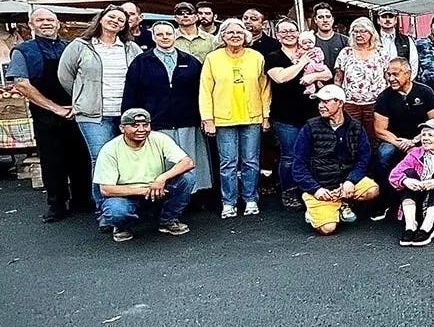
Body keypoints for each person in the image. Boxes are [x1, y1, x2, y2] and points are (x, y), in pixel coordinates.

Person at [7, 8, 93, 222]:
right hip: (46, 115)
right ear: (31, 24)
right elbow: (22, 85)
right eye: (40, 19)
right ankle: (56, 204)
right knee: (52, 161)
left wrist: (76, 105)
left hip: (75, 111)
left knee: (81, 158)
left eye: (50, 19)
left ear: (57, 24)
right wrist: (55, 108)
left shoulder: (71, 47)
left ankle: (82, 200)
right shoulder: (23, 51)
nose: (46, 23)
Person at [57, 4, 143, 213]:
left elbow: (141, 72)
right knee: (102, 159)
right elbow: (65, 76)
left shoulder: (130, 47)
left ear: (125, 26)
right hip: (93, 115)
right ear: (101, 19)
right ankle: (104, 209)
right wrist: (82, 96)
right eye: (111, 17)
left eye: (121, 20)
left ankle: (125, 204)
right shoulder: (81, 45)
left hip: (125, 113)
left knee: (127, 158)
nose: (116, 21)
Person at [121, 20, 213, 196]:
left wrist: (204, 117)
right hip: (156, 122)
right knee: (161, 164)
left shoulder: (191, 61)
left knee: (189, 160)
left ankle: (191, 196)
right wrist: (129, 121)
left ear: (175, 36)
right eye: (160, 34)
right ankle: (163, 197)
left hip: (187, 120)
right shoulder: (141, 62)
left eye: (168, 34)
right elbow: (131, 93)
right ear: (154, 37)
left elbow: (203, 92)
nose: (165, 37)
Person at [199, 17, 272, 218]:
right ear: (222, 36)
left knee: (251, 161)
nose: (235, 36)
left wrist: (266, 115)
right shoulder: (213, 58)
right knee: (228, 163)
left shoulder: (256, 57)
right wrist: (208, 119)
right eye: (230, 32)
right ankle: (229, 202)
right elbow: (205, 90)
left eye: (239, 32)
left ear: (246, 36)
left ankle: (250, 199)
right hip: (223, 119)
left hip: (252, 117)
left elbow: (265, 88)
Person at [94, 108, 196, 243]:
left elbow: (188, 162)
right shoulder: (109, 149)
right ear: (122, 128)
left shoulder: (159, 138)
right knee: (116, 210)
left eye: (145, 125)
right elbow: (106, 189)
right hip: (127, 195)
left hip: (157, 188)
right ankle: (121, 227)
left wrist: (162, 178)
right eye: (135, 125)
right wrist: (144, 191)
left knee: (188, 179)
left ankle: (168, 220)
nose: (141, 129)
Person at [291, 85, 380, 236]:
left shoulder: (356, 127)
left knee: (373, 190)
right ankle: (314, 204)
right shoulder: (309, 128)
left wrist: (350, 181)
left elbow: (363, 159)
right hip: (319, 185)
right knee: (328, 229)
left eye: (326, 101)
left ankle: (341, 203)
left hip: (344, 182)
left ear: (340, 103)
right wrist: (315, 189)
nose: (321, 105)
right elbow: (298, 165)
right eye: (319, 102)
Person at [265, 19, 330, 211]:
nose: (288, 34)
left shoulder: (311, 51)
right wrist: (303, 63)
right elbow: (281, 77)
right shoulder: (273, 56)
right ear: (277, 35)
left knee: (312, 154)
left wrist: (313, 76)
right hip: (285, 115)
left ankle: (309, 189)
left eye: (292, 31)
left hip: (311, 113)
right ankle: (289, 191)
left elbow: (327, 74)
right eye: (283, 31)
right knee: (289, 156)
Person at [373, 57, 434, 179]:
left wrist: (414, 141)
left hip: (422, 137)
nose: (391, 79)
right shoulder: (383, 97)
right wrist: (400, 143)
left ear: (408, 74)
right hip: (394, 140)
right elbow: (380, 130)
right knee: (385, 154)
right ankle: (384, 190)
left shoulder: (426, 92)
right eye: (389, 75)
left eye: (395, 74)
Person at [333, 17, 390, 148]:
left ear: (371, 33)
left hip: (376, 104)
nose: (359, 35)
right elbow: (338, 79)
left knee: (373, 137)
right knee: (352, 137)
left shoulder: (381, 53)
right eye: (355, 31)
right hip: (350, 104)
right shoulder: (346, 53)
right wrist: (337, 100)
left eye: (363, 31)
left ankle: (373, 167)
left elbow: (388, 78)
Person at [374, 7, 418, 72]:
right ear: (378, 20)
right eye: (384, 16)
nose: (387, 19)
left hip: (400, 80)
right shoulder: (373, 40)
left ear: (395, 20)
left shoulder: (407, 40)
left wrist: (407, 80)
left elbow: (413, 63)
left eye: (391, 16)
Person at [310, 2, 349, 68]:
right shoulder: (310, 41)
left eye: (328, 17)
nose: (325, 20)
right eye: (320, 17)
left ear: (332, 19)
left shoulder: (345, 40)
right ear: (315, 20)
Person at [295, 31, 328, 95]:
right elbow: (296, 56)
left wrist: (316, 60)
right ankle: (311, 88)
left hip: (317, 65)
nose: (308, 44)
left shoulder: (316, 49)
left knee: (308, 74)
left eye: (310, 42)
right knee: (308, 73)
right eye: (305, 43)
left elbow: (321, 56)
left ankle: (315, 84)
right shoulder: (301, 51)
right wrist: (296, 60)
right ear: (301, 44)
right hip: (307, 67)